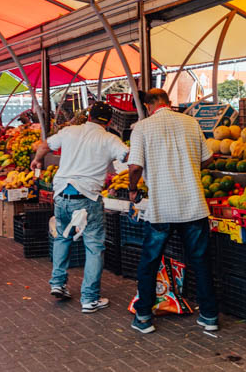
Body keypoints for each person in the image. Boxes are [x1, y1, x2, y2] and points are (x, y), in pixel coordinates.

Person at [127, 88, 217, 334]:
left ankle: (144, 317)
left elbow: (135, 166)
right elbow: (208, 159)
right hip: (193, 205)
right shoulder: (191, 122)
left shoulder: (142, 128)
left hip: (161, 209)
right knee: (200, 261)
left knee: (149, 263)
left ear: (148, 106)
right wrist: (189, 166)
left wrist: (132, 189)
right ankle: (209, 316)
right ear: (168, 102)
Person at [31, 102, 128, 313]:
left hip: (62, 195)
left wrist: (37, 161)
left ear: (88, 116)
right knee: (94, 247)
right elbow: (128, 158)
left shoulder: (70, 131)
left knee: (62, 238)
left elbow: (44, 146)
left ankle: (58, 283)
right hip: (87, 198)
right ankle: (89, 298)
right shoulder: (109, 138)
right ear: (109, 121)